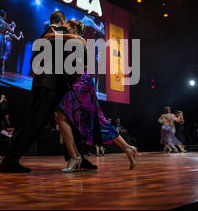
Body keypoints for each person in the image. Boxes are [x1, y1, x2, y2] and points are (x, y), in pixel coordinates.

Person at [0, 11, 86, 173]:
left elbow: (34, 61)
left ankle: (76, 157)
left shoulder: (42, 36)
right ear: (63, 21)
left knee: (51, 120)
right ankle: (9, 161)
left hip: (40, 83)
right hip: (51, 85)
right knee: (35, 124)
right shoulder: (59, 32)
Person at [53, 20, 140, 172]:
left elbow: (57, 35)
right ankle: (127, 148)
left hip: (82, 83)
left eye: (67, 26)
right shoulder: (70, 40)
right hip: (79, 83)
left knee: (60, 113)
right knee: (99, 121)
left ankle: (75, 157)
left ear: (74, 28)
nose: (64, 28)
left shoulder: (78, 39)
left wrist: (54, 29)